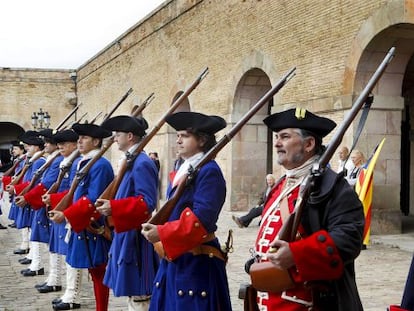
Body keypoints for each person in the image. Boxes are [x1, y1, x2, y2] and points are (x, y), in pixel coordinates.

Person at [248, 107, 365, 310]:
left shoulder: (334, 186)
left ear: (309, 144)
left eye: (284, 137)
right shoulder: (282, 184)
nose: (276, 143)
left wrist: (296, 254)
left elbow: (349, 238)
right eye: (277, 137)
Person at [141, 111, 232, 311]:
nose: (178, 140)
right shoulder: (187, 168)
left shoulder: (209, 171)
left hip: (197, 260)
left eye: (185, 135)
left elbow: (202, 219)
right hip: (177, 255)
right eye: (178, 135)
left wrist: (162, 232)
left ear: (201, 140)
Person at [96, 115, 159, 310]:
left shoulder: (142, 163)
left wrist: (114, 207)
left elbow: (147, 203)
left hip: (136, 238)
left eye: (118, 134)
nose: (114, 138)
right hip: (126, 232)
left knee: (140, 296)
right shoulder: (131, 160)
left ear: (130, 136)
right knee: (132, 295)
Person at [49, 123, 114, 311]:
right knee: (93, 272)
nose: (79, 141)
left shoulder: (100, 164)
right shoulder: (84, 161)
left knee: (99, 272)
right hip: (83, 223)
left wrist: (66, 215)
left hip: (93, 225)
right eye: (79, 138)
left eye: (84, 138)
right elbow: (75, 193)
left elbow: (93, 199)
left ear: (96, 141)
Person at [42, 129, 83, 308]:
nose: (60, 147)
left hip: (68, 210)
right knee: (61, 251)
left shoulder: (75, 164)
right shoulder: (68, 162)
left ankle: (72, 295)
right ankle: (66, 290)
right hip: (61, 209)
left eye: (65, 144)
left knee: (70, 255)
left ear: (74, 144)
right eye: (59, 144)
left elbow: (72, 192)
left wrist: (54, 199)